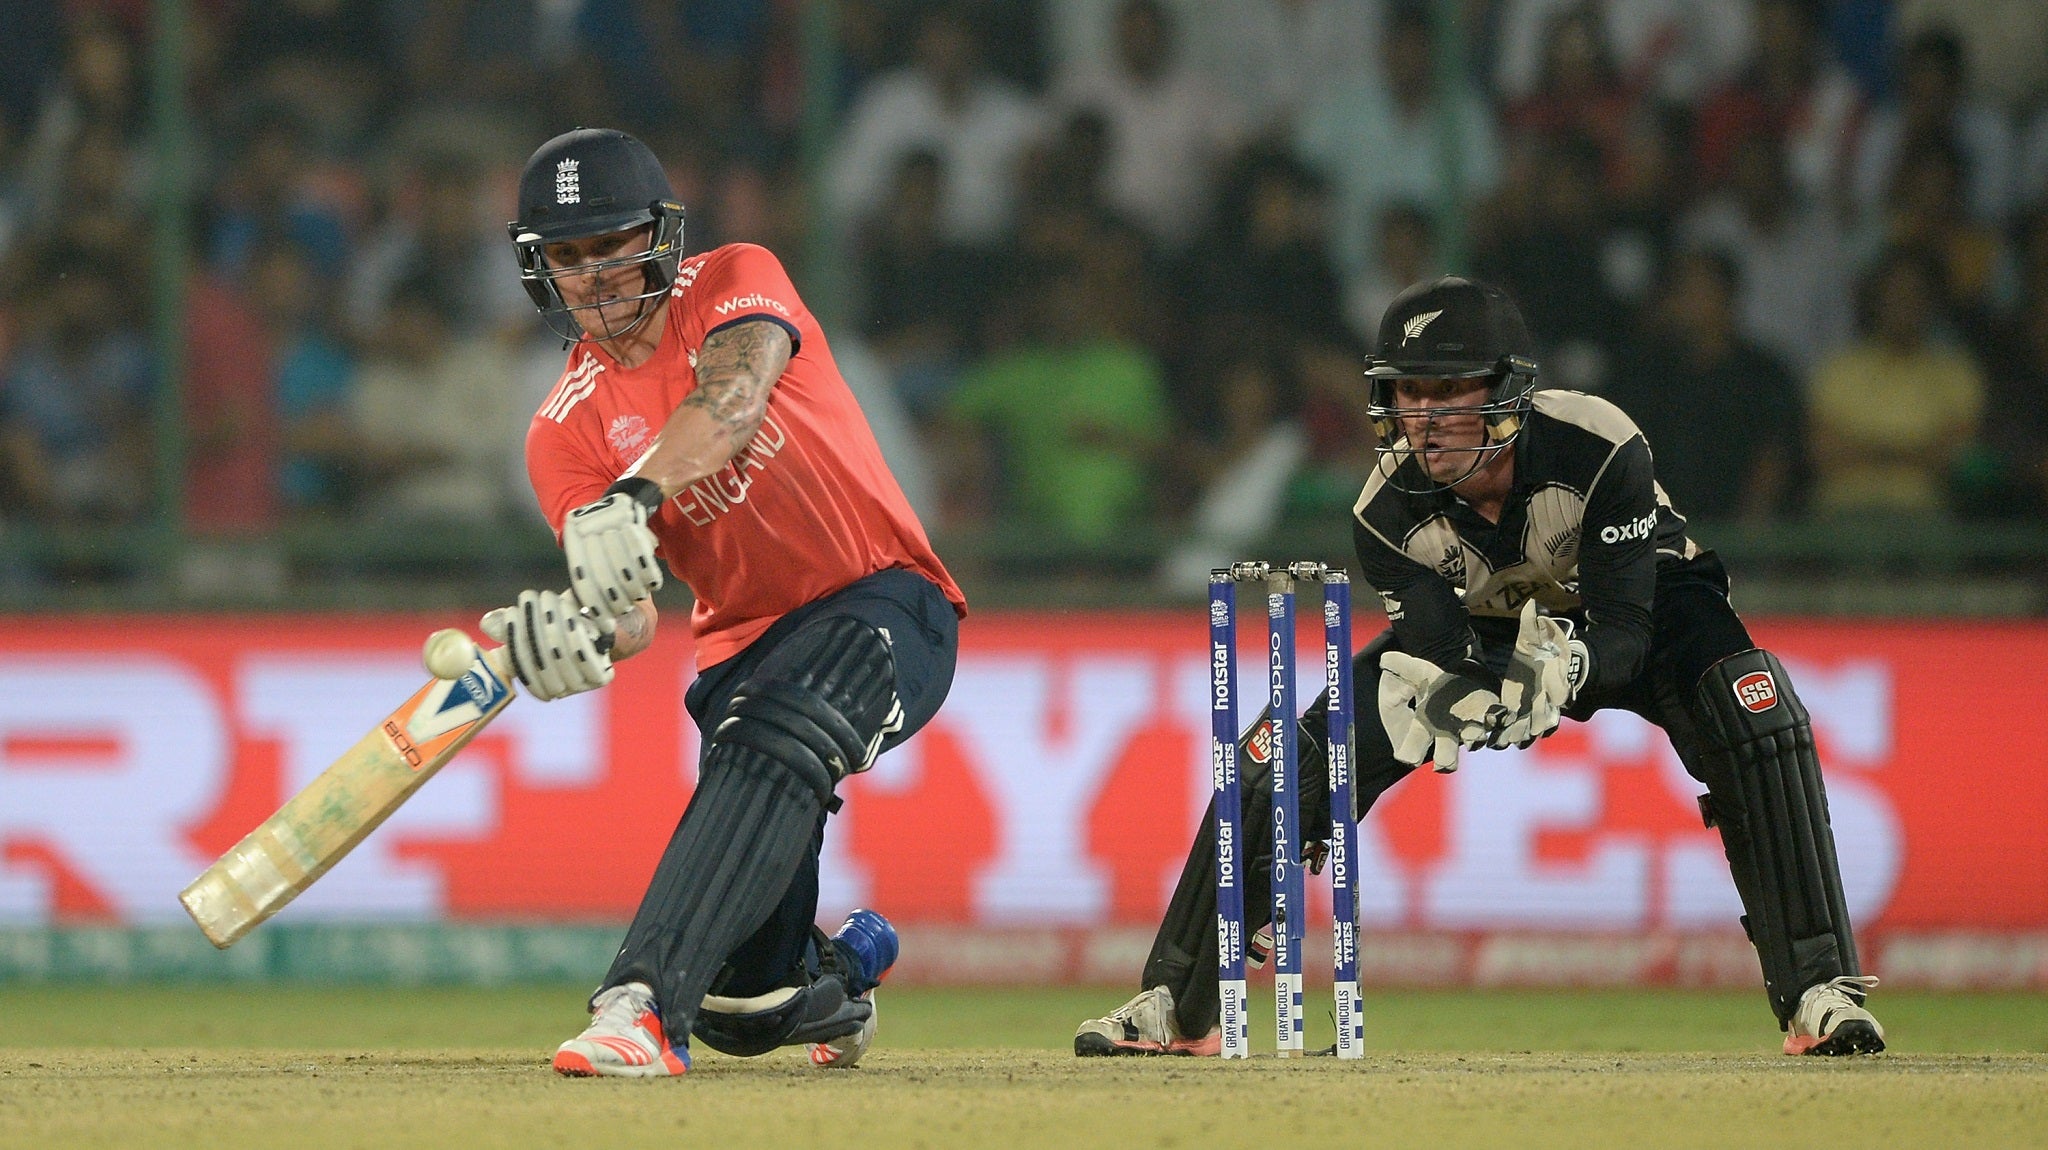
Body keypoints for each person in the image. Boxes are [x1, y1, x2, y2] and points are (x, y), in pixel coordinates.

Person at [1074, 276, 1886, 1059]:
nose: (1421, 420)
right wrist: (1458, 691)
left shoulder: (1599, 444)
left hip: (1643, 605)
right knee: (1276, 760)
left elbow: (1629, 637)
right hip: (1483, 626)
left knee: (1756, 711)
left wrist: (1563, 669)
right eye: (1406, 393)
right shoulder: (1384, 515)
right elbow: (1442, 648)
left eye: (1447, 391)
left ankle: (1819, 992)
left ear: (1507, 389)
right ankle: (1178, 1003)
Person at [488, 127, 968, 1078]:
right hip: (742, 659)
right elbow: (629, 610)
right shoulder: (559, 434)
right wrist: (577, 637)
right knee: (749, 1008)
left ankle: (636, 1006)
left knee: (780, 725)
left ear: (660, 238)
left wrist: (632, 499)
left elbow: (735, 396)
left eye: (613, 244)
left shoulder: (735, 280)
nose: (593, 277)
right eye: (567, 257)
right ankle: (843, 967)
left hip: (882, 599)